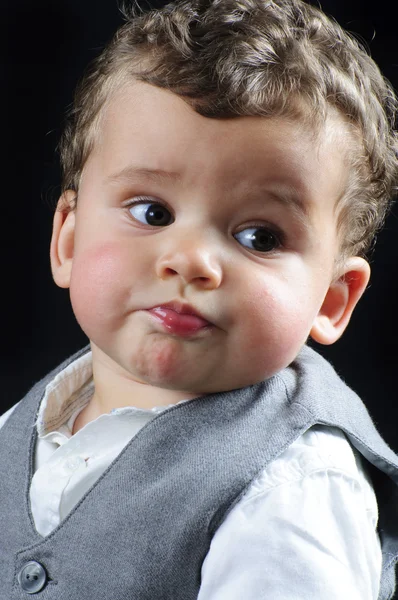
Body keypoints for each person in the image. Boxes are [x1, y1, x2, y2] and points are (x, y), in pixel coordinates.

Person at [1, 0, 398, 597]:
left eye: (260, 237)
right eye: (152, 212)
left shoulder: (293, 489)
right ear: (69, 240)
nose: (190, 260)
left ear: (332, 300)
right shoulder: (22, 425)